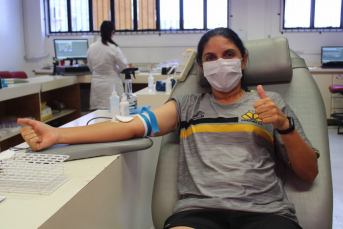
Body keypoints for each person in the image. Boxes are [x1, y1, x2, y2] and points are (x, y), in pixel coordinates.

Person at [18, 28, 318, 229]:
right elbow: (131, 127)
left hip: (265, 213)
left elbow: (309, 172)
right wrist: (58, 134)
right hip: (199, 213)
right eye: (210, 58)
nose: (220, 63)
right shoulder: (186, 106)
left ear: (244, 60)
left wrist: (284, 125)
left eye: (229, 54)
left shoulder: (271, 104)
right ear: (201, 67)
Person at [87, 20, 134, 110]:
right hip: (112, 85)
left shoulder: (91, 47)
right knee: (115, 113)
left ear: (100, 32)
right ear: (112, 32)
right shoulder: (113, 48)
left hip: (97, 86)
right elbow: (123, 67)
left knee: (98, 115)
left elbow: (90, 67)